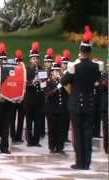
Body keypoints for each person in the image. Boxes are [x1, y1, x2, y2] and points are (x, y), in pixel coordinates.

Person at [61, 29, 101, 170]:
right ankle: (87, 163)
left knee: (77, 134)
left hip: (76, 104)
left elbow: (63, 81)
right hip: (89, 103)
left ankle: (80, 162)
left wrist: (71, 68)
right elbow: (98, 81)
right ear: (90, 52)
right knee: (88, 134)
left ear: (80, 51)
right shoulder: (96, 67)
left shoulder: (74, 67)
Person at [24, 42, 46, 147]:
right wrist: (33, 81)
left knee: (38, 121)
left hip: (39, 99)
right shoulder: (27, 70)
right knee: (29, 121)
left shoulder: (42, 69)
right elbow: (25, 84)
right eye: (33, 58)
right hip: (29, 99)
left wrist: (43, 82)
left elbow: (44, 85)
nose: (35, 60)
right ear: (30, 59)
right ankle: (29, 140)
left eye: (36, 58)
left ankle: (36, 141)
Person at [45, 55, 68, 154]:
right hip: (52, 109)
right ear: (52, 73)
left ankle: (60, 146)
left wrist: (62, 84)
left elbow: (68, 93)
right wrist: (57, 87)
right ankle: (52, 146)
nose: (57, 73)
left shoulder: (63, 83)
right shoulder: (48, 82)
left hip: (61, 109)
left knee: (61, 129)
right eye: (55, 71)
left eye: (58, 71)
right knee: (52, 128)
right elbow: (48, 93)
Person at [10, 50, 26, 143]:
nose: (19, 63)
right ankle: (13, 136)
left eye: (20, 61)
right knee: (12, 118)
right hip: (13, 98)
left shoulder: (25, 71)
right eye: (18, 62)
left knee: (20, 119)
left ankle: (19, 137)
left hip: (22, 98)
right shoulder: (12, 71)